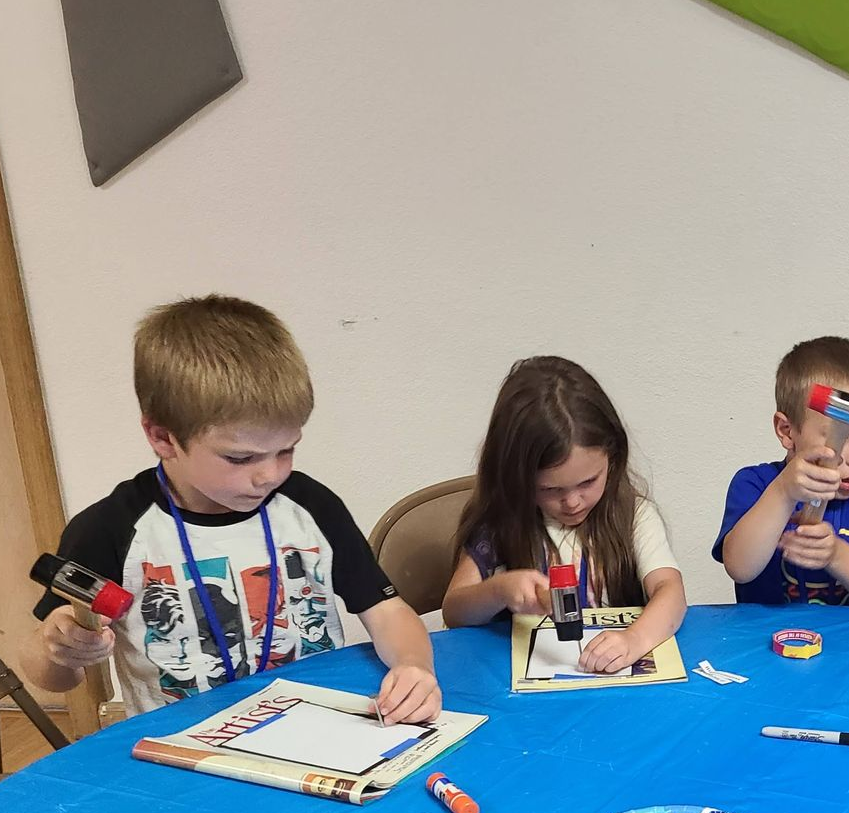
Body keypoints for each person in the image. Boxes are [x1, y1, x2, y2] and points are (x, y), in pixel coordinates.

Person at [22, 296, 440, 722]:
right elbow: (52, 678)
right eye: (240, 458)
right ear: (163, 438)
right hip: (180, 744)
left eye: (286, 450)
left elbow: (387, 610)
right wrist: (58, 649)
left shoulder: (310, 506)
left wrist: (414, 666)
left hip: (315, 726)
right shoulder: (111, 528)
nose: (270, 475)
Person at [442, 356, 686, 674]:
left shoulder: (634, 516)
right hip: (521, 687)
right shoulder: (500, 524)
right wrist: (498, 590)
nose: (572, 502)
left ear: (613, 458)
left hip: (616, 682)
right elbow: (454, 612)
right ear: (514, 478)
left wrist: (635, 640)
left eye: (588, 482)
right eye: (549, 489)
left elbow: (671, 591)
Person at [713, 337, 849, 605]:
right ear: (787, 431)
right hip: (768, 631)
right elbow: (739, 568)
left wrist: (836, 555)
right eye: (842, 436)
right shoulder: (755, 484)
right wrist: (783, 492)